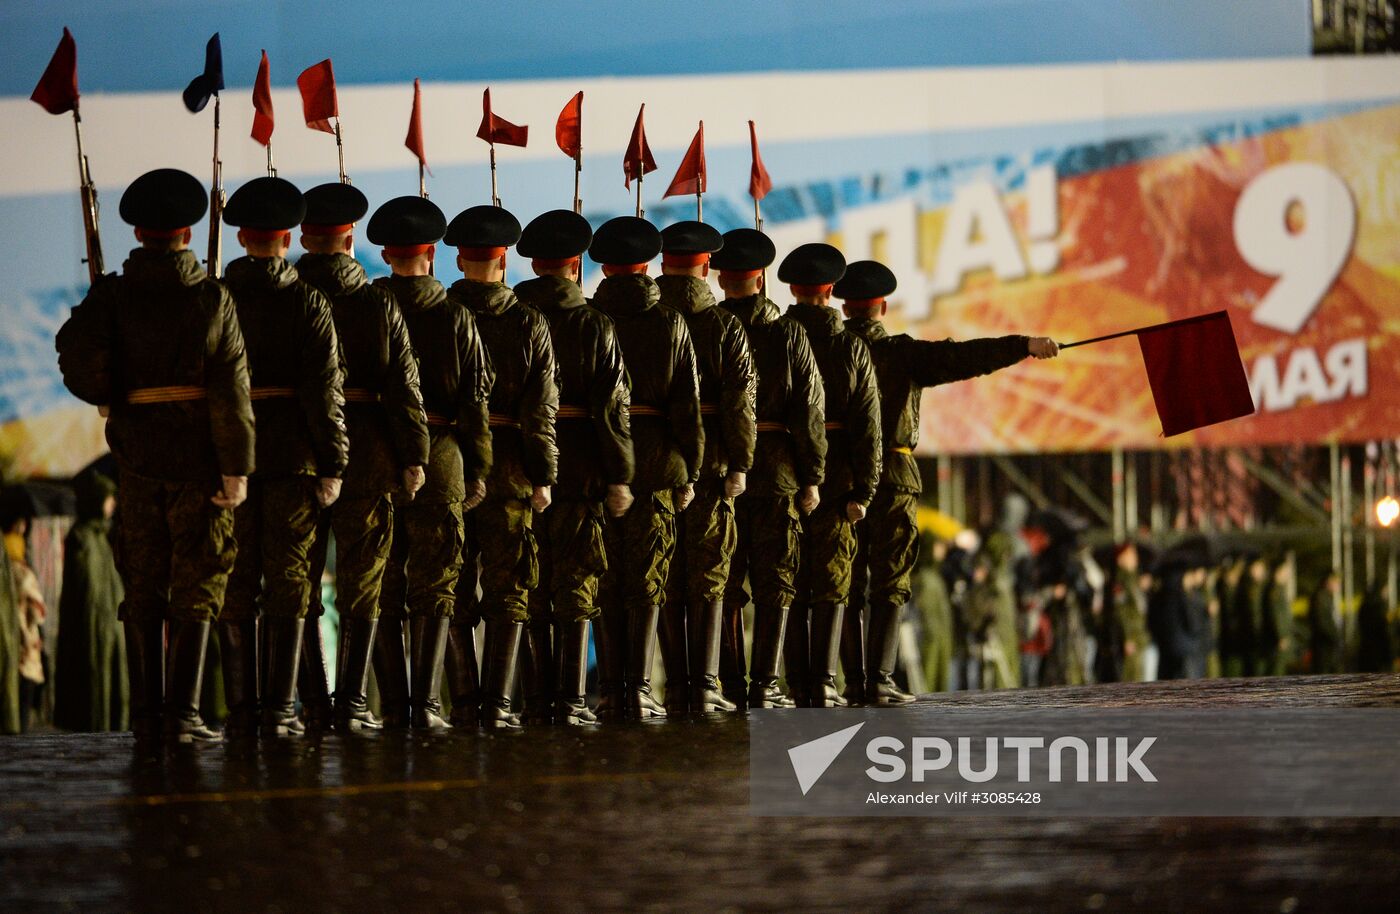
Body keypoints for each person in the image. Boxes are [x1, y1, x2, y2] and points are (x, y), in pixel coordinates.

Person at [56, 168, 254, 743]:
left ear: (139, 233)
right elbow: (231, 391)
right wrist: (236, 468)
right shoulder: (211, 297)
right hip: (198, 463)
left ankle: (146, 717)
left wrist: (109, 391)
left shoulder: (112, 296)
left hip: (137, 461)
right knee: (201, 580)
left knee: (142, 584)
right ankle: (183, 716)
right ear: (188, 234)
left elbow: (75, 356)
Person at [839, 261, 1059, 704]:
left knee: (844, 581)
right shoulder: (903, 354)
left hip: (839, 479)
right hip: (894, 477)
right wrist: (1024, 345)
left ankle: (850, 681)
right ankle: (879, 679)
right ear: (883, 307)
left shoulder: (827, 351)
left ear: (845, 308)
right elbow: (965, 357)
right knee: (891, 580)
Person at [296, 183, 430, 732]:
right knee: (364, 580)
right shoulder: (378, 303)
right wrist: (414, 455)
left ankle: (309, 702)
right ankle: (351, 702)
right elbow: (404, 389)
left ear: (303, 238)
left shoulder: (287, 297)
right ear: (351, 238)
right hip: (370, 456)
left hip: (296, 454)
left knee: (295, 580)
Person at [219, 176, 349, 738]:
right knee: (291, 583)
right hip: (295, 461)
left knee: (235, 582)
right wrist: (333, 462)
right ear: (289, 238)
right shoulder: (309, 302)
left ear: (242, 237)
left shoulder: (218, 298)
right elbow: (325, 392)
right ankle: (278, 710)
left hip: (233, 460)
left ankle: (241, 711)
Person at [370, 197, 493, 730]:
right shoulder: (455, 316)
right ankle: (426, 705)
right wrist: (479, 467)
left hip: (375, 456)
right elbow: (475, 400)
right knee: (438, 581)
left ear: (385, 255)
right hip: (443, 457)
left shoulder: (367, 307)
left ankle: (394, 707)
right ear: (433, 255)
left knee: (379, 580)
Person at [512, 210, 634, 726]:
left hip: (517, 467)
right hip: (582, 471)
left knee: (526, 583)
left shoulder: (512, 316)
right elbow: (613, 410)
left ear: (534, 265)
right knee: (578, 582)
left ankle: (534, 700)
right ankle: (569, 700)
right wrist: (620, 474)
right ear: (576, 266)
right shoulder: (594, 324)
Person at [444, 204, 559, 730]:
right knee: (510, 587)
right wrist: (543, 474)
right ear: (505, 261)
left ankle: (463, 703)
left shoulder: (441, 314)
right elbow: (541, 410)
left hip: (449, 467)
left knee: (449, 583)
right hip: (512, 471)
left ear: (458, 260)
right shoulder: (528, 322)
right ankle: (497, 705)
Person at [588, 216, 703, 720]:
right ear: (648, 266)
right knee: (648, 579)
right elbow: (686, 404)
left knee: (603, 578)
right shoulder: (670, 323)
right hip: (657, 465)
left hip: (596, 464)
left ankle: (611, 688)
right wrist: (691, 467)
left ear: (604, 268)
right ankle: (638, 688)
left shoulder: (591, 318)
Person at [713, 229, 825, 709]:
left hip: (718, 471)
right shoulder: (789, 333)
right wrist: (813, 474)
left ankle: (728, 683)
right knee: (776, 580)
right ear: (761, 280)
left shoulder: (710, 327)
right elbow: (809, 410)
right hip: (778, 472)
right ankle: (766, 684)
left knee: (723, 579)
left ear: (721, 279)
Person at [655, 221, 756, 716]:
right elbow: (740, 403)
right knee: (712, 572)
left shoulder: (647, 320)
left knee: (661, 572)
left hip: (653, 465)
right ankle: (706, 683)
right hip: (714, 467)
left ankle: (675, 684)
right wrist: (740, 462)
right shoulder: (725, 327)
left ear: (661, 264)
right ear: (707, 267)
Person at [780, 243, 881, 708]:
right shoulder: (851, 347)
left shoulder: (776, 338)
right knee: (832, 581)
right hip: (839, 483)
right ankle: (823, 681)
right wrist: (865, 489)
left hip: (782, 475)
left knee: (786, 580)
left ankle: (795, 682)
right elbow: (868, 426)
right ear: (831, 292)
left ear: (793, 290)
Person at [53, 470, 128, 732]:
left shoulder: (101, 539)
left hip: (109, 627)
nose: (113, 503)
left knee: (111, 682)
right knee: (94, 683)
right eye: (108, 498)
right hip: (91, 628)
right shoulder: (81, 537)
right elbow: (84, 592)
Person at [911, 535, 955, 692]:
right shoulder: (923, 577)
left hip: (941, 635)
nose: (942, 550)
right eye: (938, 546)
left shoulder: (936, 575)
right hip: (930, 636)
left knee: (942, 680)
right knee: (928, 679)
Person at [1259, 558, 1294, 676]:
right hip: (1277, 640)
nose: (1288, 574)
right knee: (1276, 671)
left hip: (1279, 638)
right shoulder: (1275, 590)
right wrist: (1281, 635)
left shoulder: (1279, 589)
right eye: (1286, 571)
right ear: (1279, 571)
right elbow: (1276, 615)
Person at [1308, 570, 1343, 674]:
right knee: (1324, 672)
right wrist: (1335, 636)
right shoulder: (1321, 597)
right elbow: (1323, 622)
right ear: (1329, 582)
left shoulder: (1326, 597)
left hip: (1327, 643)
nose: (1339, 586)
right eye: (1337, 582)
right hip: (1324, 645)